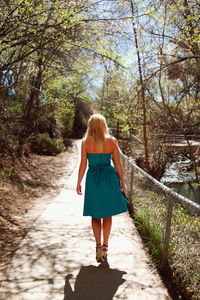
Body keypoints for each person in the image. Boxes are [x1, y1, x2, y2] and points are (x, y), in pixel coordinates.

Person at [76, 113, 128, 262]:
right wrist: (122, 181)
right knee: (107, 214)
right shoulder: (112, 141)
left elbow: (83, 164)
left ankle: (98, 245)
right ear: (103, 125)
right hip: (109, 178)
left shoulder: (85, 142)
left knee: (95, 214)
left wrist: (78, 182)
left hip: (93, 179)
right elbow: (118, 164)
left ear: (90, 126)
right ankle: (105, 247)